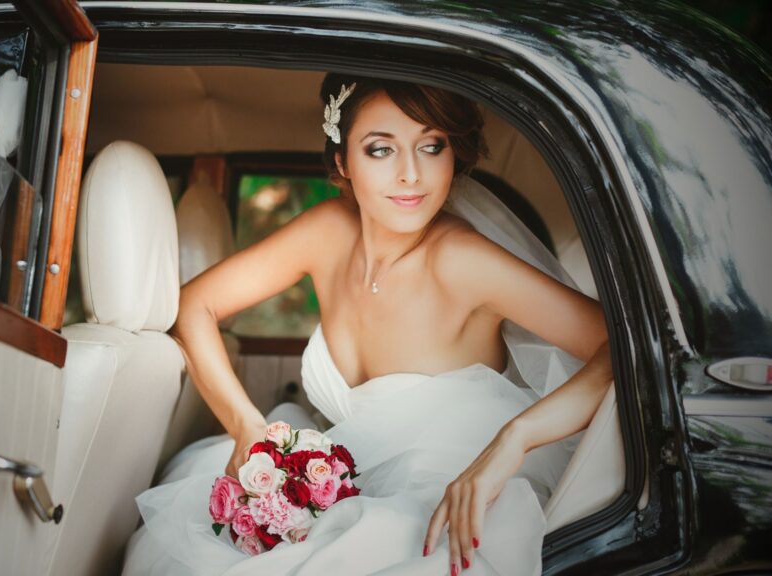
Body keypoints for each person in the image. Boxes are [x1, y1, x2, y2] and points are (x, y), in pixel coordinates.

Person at [122, 73, 612, 576]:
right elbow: (195, 305)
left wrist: (515, 438)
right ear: (342, 162)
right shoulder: (328, 231)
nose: (410, 175)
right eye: (381, 150)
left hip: (441, 496)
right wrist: (245, 424)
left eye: (431, 146)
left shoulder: (463, 259)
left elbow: (623, 349)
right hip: (355, 476)